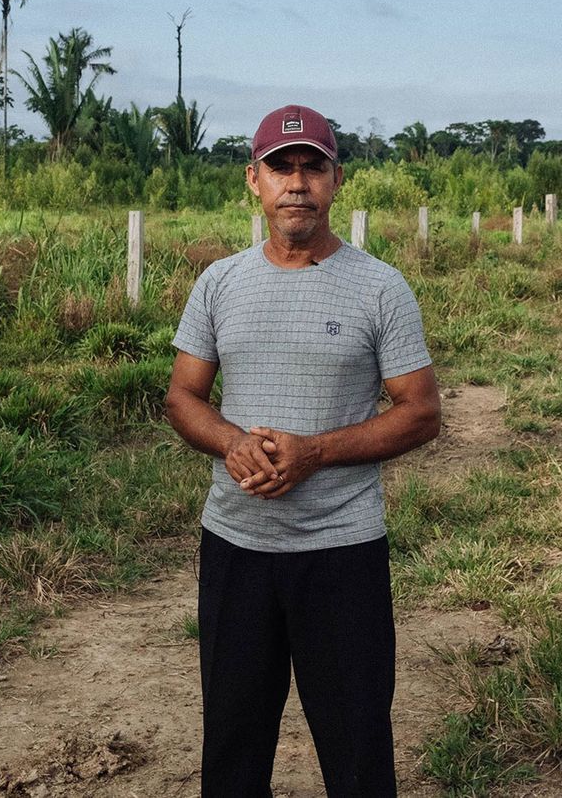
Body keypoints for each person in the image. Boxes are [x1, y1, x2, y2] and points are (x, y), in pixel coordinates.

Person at [165, 103, 441, 797]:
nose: (296, 182)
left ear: (336, 180)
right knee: (232, 744)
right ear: (252, 182)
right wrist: (232, 442)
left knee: (356, 750)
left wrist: (313, 452)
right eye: (280, 167)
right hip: (236, 547)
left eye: (311, 167)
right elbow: (183, 397)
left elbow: (421, 411)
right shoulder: (219, 283)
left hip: (342, 553)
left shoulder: (380, 286)